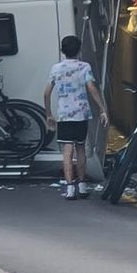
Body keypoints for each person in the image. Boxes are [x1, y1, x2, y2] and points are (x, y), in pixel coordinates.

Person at [43, 35, 108, 200]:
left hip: (64, 115)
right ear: (79, 50)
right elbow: (91, 87)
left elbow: (47, 92)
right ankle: (82, 185)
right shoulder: (84, 67)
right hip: (81, 114)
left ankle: (70, 188)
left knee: (67, 151)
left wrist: (49, 114)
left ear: (62, 51)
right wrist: (102, 108)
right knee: (80, 149)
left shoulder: (56, 68)